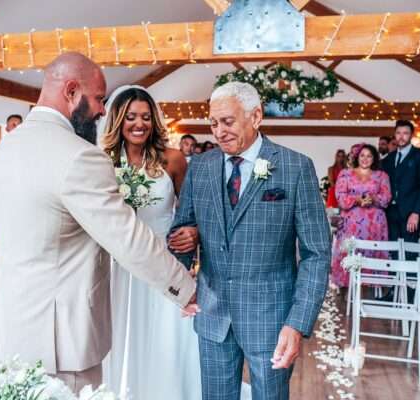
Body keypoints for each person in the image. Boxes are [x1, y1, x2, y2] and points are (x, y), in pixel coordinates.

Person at [0, 53, 197, 394]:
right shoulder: (80, 156)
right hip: (61, 338)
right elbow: (127, 238)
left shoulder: (1, 153)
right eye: (97, 99)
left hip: (10, 327)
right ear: (70, 91)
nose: (100, 110)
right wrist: (186, 290)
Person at [168, 82, 331, 400]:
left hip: (271, 319)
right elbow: (183, 229)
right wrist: (179, 281)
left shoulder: (295, 168)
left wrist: (296, 324)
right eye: (213, 123)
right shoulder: (200, 167)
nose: (219, 131)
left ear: (256, 116)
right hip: (212, 314)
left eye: (227, 121)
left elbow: (316, 253)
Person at [99, 86, 201, 399]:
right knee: (117, 337)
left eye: (145, 117)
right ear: (117, 120)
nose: (138, 124)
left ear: (154, 121)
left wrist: (194, 233)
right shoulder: (101, 162)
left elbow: (191, 212)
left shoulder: (173, 161)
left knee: (165, 338)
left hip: (163, 264)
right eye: (130, 117)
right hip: (117, 267)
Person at [331, 144, 392, 288]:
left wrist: (373, 198)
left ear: (374, 158)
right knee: (352, 252)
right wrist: (357, 199)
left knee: (371, 252)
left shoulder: (382, 176)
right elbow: (340, 197)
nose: (365, 159)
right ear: (357, 157)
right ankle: (348, 288)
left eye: (369, 156)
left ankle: (371, 286)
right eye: (362, 155)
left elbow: (386, 198)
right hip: (351, 222)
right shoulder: (345, 174)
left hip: (374, 224)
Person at [382, 120, 420, 246]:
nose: (401, 136)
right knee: (392, 251)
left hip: (411, 213)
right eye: (398, 133)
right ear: (394, 135)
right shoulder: (388, 158)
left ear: (411, 135)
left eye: (405, 133)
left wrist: (416, 213)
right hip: (390, 213)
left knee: (409, 253)